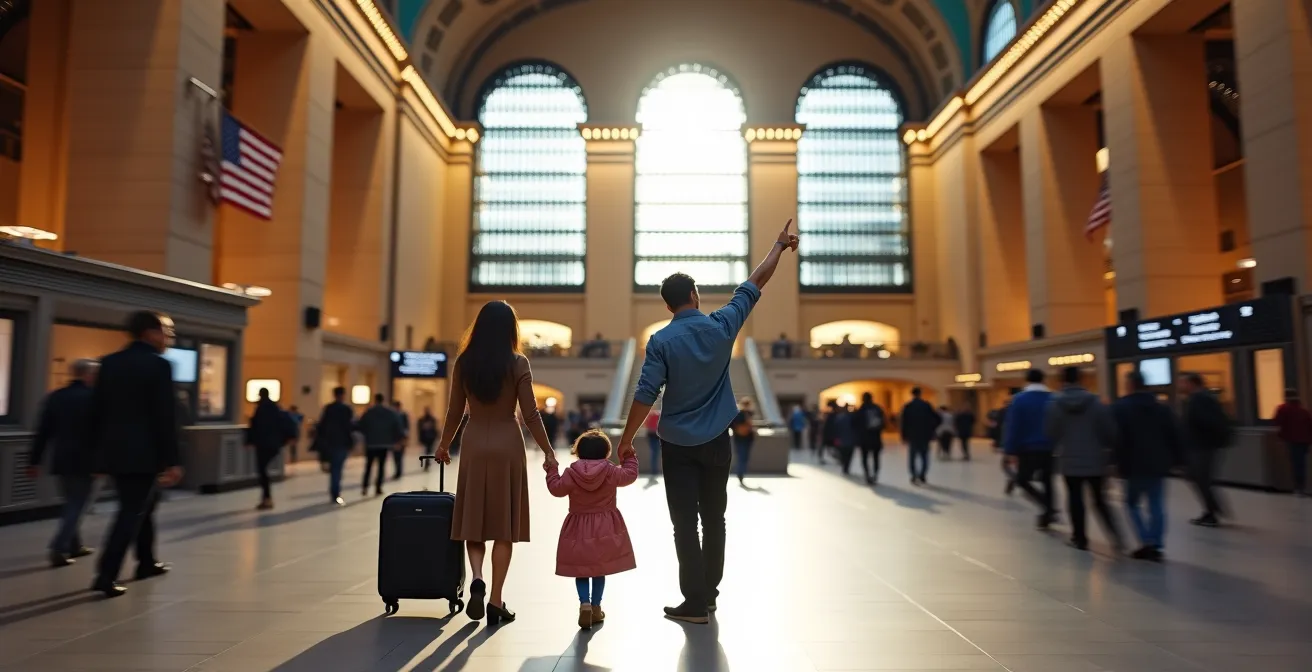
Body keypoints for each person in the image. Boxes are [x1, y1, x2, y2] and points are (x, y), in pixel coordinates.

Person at [615, 217, 798, 624]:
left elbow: (646, 393)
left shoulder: (661, 341)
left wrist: (626, 439)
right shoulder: (722, 324)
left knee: (685, 525)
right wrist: (778, 246)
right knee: (715, 518)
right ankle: (708, 595)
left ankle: (694, 600)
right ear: (695, 296)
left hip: (677, 445)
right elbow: (755, 282)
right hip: (718, 440)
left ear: (667, 305)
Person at [435, 300, 557, 626]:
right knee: (503, 526)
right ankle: (496, 600)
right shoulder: (518, 362)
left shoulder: (464, 363)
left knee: (473, 518)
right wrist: (547, 450)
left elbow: (454, 411)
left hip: (474, 442)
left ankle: (476, 577)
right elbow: (530, 413)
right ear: (510, 330)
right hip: (507, 442)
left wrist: (444, 445)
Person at [87, 311, 183, 598]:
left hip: (115, 452)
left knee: (144, 505)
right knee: (131, 511)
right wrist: (173, 460)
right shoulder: (158, 366)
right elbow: (164, 417)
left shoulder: (109, 363)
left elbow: (96, 414)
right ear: (149, 333)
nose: (168, 338)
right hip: (145, 453)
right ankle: (107, 573)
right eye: (166, 332)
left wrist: (97, 456)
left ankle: (146, 561)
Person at [544, 430, 639, 630]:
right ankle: (596, 607)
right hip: (605, 525)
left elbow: (557, 489)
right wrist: (629, 456)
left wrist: (552, 470)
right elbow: (629, 475)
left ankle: (584, 604)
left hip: (578, 526)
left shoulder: (572, 472)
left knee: (581, 568)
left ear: (578, 452)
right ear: (605, 452)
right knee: (598, 568)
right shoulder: (610, 470)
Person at [27, 359, 100, 567]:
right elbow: (100, 433)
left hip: (61, 458)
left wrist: (34, 461)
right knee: (78, 503)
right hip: (87, 460)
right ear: (88, 375)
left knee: (71, 501)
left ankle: (75, 545)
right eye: (95, 374)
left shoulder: (56, 397)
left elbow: (43, 432)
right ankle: (59, 547)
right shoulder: (95, 398)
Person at [1045, 366, 1122, 551]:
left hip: (1070, 459)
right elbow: (1110, 431)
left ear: (1062, 380)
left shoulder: (1055, 404)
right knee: (1099, 499)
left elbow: (1051, 432)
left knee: (1075, 498)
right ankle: (1116, 536)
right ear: (1081, 380)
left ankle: (1080, 538)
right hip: (1095, 459)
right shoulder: (1096, 403)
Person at [1113, 370, 1183, 561]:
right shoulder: (1162, 407)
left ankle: (1146, 541)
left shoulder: (1120, 408)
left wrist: (1114, 462)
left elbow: (1116, 438)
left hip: (1132, 463)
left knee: (1131, 503)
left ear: (1130, 385)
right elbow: (1174, 435)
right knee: (1157, 504)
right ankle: (1157, 543)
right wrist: (1177, 460)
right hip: (1158, 463)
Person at [1004, 369, 1056, 529]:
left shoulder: (1019, 400)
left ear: (1026, 380)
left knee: (1022, 480)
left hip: (1028, 448)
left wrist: (1010, 449)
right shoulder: (1052, 398)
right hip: (1050, 447)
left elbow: (1014, 426)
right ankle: (1047, 514)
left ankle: (1046, 505)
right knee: (1048, 481)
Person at [1179, 372, 1232, 527]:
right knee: (1198, 478)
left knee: (1200, 478)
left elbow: (1206, 422)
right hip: (1202, 446)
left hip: (1202, 446)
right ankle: (1212, 509)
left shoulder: (1200, 399)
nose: (1181, 386)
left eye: (1183, 383)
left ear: (1192, 383)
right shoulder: (1202, 398)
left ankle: (1212, 511)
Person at [245, 387, 296, 510]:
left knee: (262, 471)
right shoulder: (276, 408)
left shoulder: (260, 409)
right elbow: (286, 423)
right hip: (274, 444)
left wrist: (249, 441)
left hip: (262, 444)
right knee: (264, 470)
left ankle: (267, 498)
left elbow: (255, 426)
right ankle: (267, 498)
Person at [312, 386, 355, 504]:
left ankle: (334, 491)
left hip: (330, 442)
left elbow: (322, 426)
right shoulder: (346, 409)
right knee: (337, 468)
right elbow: (349, 427)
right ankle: (335, 492)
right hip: (341, 443)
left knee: (334, 468)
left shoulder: (329, 409)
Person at [358, 393, 404, 497]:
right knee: (381, 466)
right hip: (384, 443)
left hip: (371, 443)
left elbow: (361, 425)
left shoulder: (369, 412)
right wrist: (396, 440)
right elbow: (397, 427)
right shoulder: (390, 413)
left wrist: (367, 435)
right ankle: (378, 487)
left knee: (368, 466)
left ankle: (365, 486)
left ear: (375, 400)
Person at [1273, 389, 1312, 496]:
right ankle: (1302, 487)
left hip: (1291, 440)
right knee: (1301, 464)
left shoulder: (1283, 409)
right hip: (1304, 441)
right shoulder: (1303, 410)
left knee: (1295, 464)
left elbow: (1277, 422)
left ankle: (1298, 487)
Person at [900, 388, 939, 485]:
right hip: (925, 435)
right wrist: (931, 429)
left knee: (912, 456)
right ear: (920, 394)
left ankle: (913, 475)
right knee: (924, 456)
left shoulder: (908, 406)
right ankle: (923, 474)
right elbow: (937, 418)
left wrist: (904, 435)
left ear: (912, 394)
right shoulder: (926, 405)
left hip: (913, 435)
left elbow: (904, 422)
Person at [856, 392, 885, 485]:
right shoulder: (877, 408)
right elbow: (883, 423)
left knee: (865, 458)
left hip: (864, 438)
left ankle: (867, 475)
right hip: (875, 437)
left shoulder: (861, 410)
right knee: (876, 457)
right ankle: (875, 475)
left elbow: (855, 424)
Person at [824, 400, 857, 476]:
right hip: (848, 439)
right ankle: (846, 467)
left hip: (843, 439)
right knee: (847, 454)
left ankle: (845, 466)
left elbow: (835, 429)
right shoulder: (849, 417)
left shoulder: (840, 418)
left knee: (844, 454)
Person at [730, 398, 756, 486]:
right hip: (743, 438)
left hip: (742, 438)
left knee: (742, 457)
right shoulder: (741, 414)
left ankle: (740, 473)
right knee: (742, 457)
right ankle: (740, 474)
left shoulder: (744, 413)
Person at [391, 400, 411, 480]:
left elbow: (406, 427)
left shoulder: (403, 415)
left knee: (400, 456)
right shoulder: (393, 415)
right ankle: (397, 471)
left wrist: (405, 438)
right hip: (395, 439)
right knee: (395, 456)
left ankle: (399, 472)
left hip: (401, 438)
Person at [644, 409, 661, 476]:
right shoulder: (659, 415)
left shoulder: (651, 415)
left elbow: (646, 424)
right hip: (657, 436)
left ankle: (654, 470)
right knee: (656, 453)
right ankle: (655, 470)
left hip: (651, 435)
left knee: (654, 453)